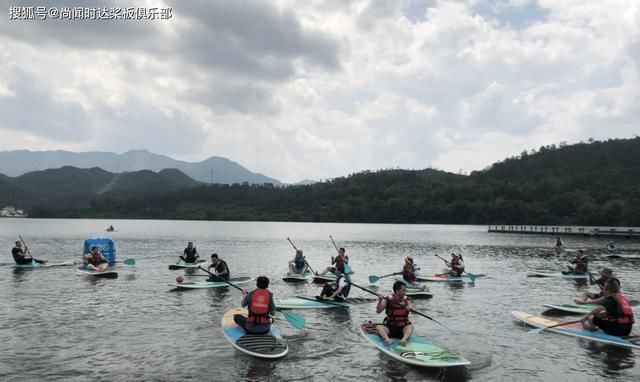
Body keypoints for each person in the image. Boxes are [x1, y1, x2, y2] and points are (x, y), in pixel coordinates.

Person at [376, 280, 415, 346]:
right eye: (403, 290)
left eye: (405, 290)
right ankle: (387, 339)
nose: (405, 292)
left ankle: (403, 340)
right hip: (390, 328)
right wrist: (380, 301)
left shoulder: (406, 300)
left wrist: (410, 308)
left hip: (402, 329)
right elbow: (378, 311)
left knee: (410, 327)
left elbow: (412, 308)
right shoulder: (388, 299)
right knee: (379, 327)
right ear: (397, 291)